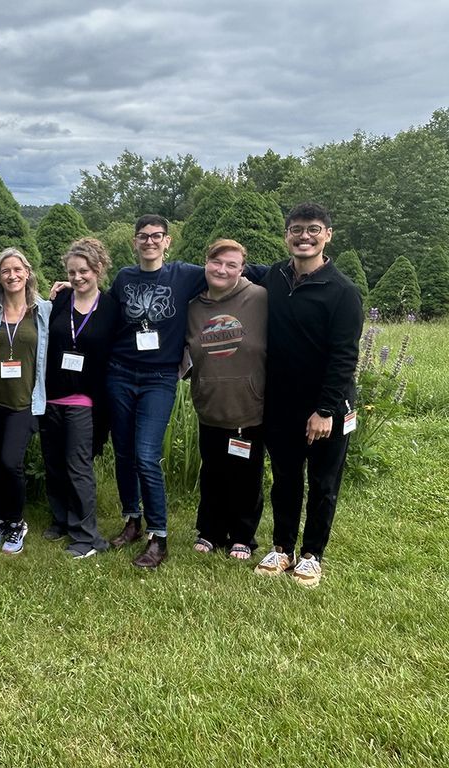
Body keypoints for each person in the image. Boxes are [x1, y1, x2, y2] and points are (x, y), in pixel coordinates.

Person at [254, 202, 363, 587]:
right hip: (281, 403)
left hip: (327, 406)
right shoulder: (273, 277)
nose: (304, 236)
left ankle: (312, 554)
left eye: (313, 229)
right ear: (286, 236)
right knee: (284, 478)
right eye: (296, 229)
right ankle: (282, 549)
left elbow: (344, 356)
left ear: (327, 235)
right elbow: (225, 272)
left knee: (323, 482)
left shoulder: (342, 292)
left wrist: (325, 409)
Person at [104, 215, 207, 568]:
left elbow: (232, 270)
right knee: (123, 452)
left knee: (146, 454)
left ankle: (158, 537)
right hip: (120, 372)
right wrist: (66, 292)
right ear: (135, 242)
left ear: (168, 241)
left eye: (156, 236)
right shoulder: (124, 278)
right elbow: (104, 313)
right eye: (143, 236)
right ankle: (132, 521)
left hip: (159, 377)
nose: (149, 241)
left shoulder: (185, 275)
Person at [185, 239, 267, 560]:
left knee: (246, 477)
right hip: (210, 406)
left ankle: (243, 536)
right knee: (213, 472)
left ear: (242, 269)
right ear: (205, 263)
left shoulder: (260, 299)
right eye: (216, 262)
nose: (222, 269)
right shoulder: (194, 307)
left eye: (231, 264)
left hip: (249, 408)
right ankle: (210, 531)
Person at [41, 238, 114, 558]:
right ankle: (62, 520)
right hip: (52, 397)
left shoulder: (111, 307)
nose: (77, 277)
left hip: (84, 401)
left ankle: (87, 536)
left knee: (78, 467)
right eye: (71, 272)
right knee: (54, 464)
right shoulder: (60, 299)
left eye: (83, 270)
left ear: (97, 269)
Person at [0, 247, 51, 555]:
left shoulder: (43, 310)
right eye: (5, 271)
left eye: (17, 269)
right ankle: (2, 519)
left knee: (11, 462)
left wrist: (68, 285)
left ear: (28, 273)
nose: (12, 275)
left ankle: (17, 521)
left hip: (24, 402)